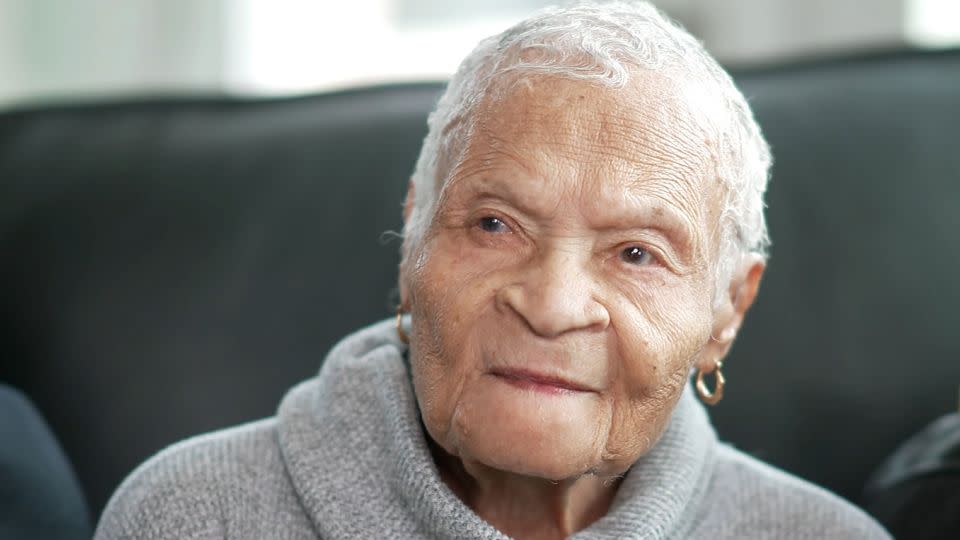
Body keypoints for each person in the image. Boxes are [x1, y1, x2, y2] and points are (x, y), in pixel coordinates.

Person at [94, 2, 891, 538]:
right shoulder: (192, 516)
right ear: (413, 240)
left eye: (636, 253)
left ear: (727, 313)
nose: (550, 305)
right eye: (495, 224)